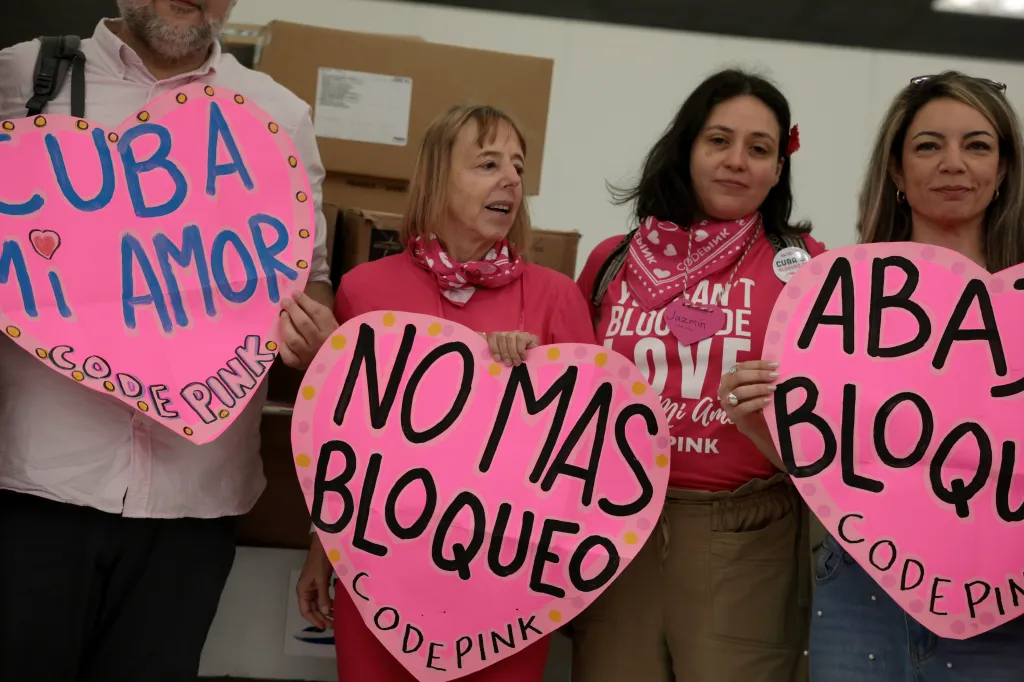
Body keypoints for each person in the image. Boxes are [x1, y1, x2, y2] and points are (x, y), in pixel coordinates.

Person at [0, 2, 337, 681]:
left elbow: (312, 278)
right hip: (36, 488)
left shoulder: (279, 115)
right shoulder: (21, 77)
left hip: (195, 500)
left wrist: (313, 329)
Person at [721, 71, 1024, 681]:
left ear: (1005, 170)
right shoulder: (835, 295)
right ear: (896, 170)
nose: (953, 164)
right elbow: (820, 463)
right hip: (862, 587)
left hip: (1006, 597)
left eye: (978, 145)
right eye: (928, 145)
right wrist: (758, 425)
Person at [294, 103, 596, 681]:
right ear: (436, 177)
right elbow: (341, 442)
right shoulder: (364, 291)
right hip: (380, 573)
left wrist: (537, 382)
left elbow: (581, 452)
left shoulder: (557, 297)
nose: (510, 178)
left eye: (517, 166)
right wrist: (320, 548)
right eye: (487, 163)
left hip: (507, 587)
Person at [572, 69, 825, 682]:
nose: (737, 161)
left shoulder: (807, 268)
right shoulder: (611, 261)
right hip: (614, 533)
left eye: (759, 149)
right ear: (686, 147)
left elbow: (831, 418)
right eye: (719, 141)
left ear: (778, 168)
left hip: (747, 535)